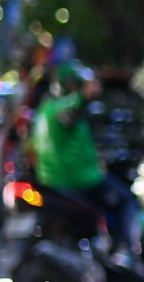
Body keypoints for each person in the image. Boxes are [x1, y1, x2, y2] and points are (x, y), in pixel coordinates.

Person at [29, 62, 135, 257]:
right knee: (127, 200)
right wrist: (84, 95)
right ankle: (124, 251)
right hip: (78, 178)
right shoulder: (65, 107)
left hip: (50, 179)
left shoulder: (45, 108)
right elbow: (71, 109)